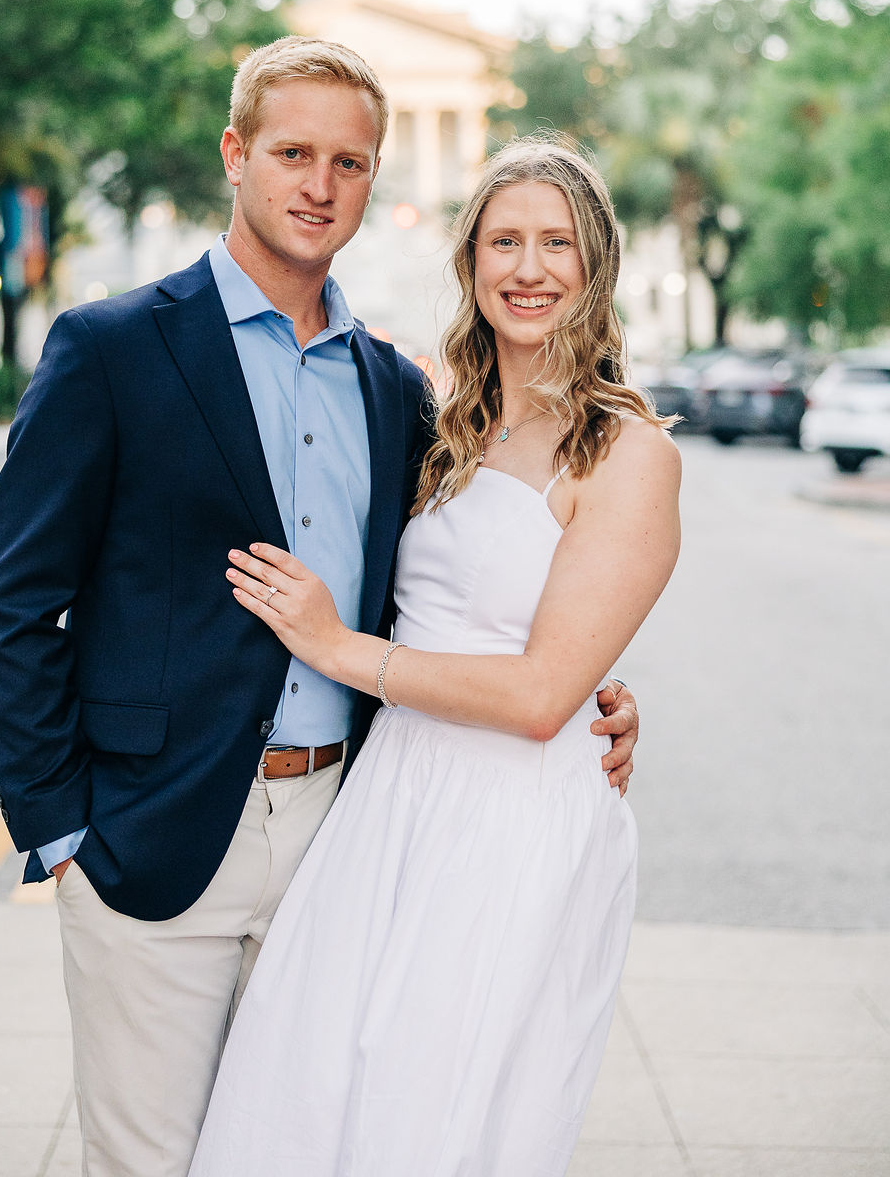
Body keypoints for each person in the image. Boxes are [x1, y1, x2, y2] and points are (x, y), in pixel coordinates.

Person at [0, 39, 640, 1177]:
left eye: (347, 162)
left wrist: (590, 687)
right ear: (236, 155)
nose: (318, 185)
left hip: (354, 829)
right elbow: (16, 604)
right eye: (291, 152)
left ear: (372, 181)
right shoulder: (111, 348)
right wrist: (62, 828)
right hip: (153, 836)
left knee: (308, 1151)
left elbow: (462, 587)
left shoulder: (397, 391)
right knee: (152, 1162)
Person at [191, 136, 680, 1176]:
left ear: (596, 264)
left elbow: (546, 690)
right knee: (304, 1091)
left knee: (434, 1118)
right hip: (394, 796)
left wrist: (335, 647)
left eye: (557, 242)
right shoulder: (446, 426)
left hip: (512, 823)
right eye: (503, 240)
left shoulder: (631, 452)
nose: (529, 267)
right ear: (469, 264)